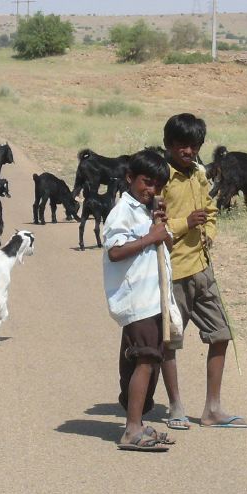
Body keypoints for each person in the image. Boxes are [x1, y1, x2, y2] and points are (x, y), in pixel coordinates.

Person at [159, 113, 247, 429]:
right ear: (169, 145)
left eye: (194, 145)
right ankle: (175, 408)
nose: (188, 151)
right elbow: (152, 228)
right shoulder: (161, 178)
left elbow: (210, 212)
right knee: (169, 341)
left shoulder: (199, 173)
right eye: (181, 145)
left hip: (202, 269)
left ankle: (212, 409)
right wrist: (186, 224)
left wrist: (209, 232)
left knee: (221, 334)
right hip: (172, 273)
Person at [102, 149, 181, 451]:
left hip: (154, 298)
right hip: (137, 300)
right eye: (146, 183)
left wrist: (159, 227)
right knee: (146, 359)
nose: (152, 190)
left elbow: (166, 246)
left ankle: (138, 423)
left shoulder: (146, 212)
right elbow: (115, 251)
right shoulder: (121, 212)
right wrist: (150, 237)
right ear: (129, 178)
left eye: (158, 186)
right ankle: (132, 430)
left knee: (150, 360)